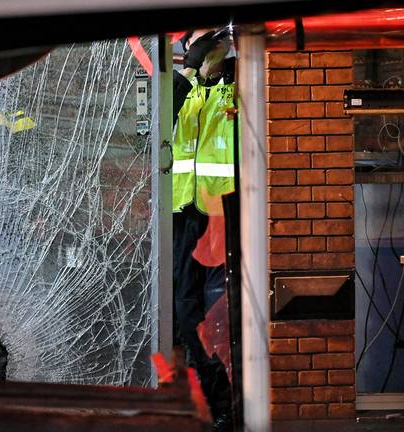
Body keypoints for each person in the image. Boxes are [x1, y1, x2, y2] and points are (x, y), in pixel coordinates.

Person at [172, 28, 236, 432]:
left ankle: (225, 400)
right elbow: (157, 117)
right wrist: (190, 68)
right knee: (185, 308)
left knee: (220, 312)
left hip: (224, 213)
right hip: (184, 213)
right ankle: (207, 395)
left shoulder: (237, 84)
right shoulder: (184, 89)